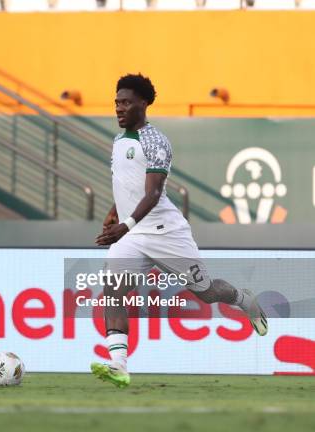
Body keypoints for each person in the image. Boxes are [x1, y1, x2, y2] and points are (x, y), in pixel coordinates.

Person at [91, 73, 268, 388]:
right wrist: (113, 212)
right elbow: (126, 186)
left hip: (165, 232)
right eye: (117, 102)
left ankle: (243, 298)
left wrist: (124, 226)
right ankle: (119, 365)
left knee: (206, 292)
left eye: (126, 102)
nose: (119, 108)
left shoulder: (156, 141)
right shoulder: (118, 142)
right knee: (113, 289)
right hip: (133, 235)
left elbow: (153, 193)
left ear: (143, 104)